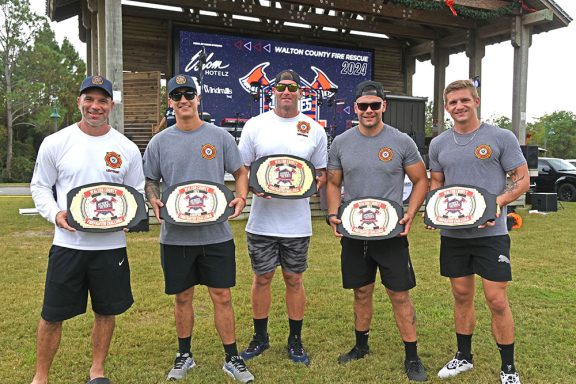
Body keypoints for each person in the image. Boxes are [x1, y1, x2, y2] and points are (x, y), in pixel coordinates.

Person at [29, 75, 145, 384]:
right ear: (79, 101)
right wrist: (55, 214)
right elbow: (40, 186)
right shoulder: (56, 143)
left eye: (102, 100)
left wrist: (131, 216)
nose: (95, 106)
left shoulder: (126, 148)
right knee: (52, 314)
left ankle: (97, 371)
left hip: (110, 248)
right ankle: (41, 377)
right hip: (68, 245)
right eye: (89, 99)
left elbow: (136, 192)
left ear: (111, 104)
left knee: (106, 312)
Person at [142, 74, 253, 382]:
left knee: (222, 296)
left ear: (198, 98)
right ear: (170, 103)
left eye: (189, 94)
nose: (184, 100)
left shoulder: (219, 137)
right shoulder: (159, 141)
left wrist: (241, 196)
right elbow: (150, 179)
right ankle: (184, 355)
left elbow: (240, 171)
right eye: (177, 96)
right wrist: (154, 200)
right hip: (176, 236)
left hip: (215, 234)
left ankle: (232, 358)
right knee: (182, 297)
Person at [325, 80, 429, 381]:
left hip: (391, 233)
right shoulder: (341, 142)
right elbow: (333, 183)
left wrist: (410, 212)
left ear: (384, 106)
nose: (368, 111)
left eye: (374, 105)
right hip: (355, 232)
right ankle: (361, 346)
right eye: (363, 106)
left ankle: (412, 356)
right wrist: (333, 214)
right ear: (355, 107)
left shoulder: (401, 141)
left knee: (399, 294)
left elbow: (421, 180)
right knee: (361, 291)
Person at [428, 79, 529, 384]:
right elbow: (436, 183)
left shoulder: (500, 137)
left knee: (496, 299)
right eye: (452, 102)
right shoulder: (438, 144)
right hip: (454, 235)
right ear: (446, 107)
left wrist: (496, 203)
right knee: (461, 295)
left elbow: (521, 180)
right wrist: (435, 211)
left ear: (476, 101)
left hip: (491, 234)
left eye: (464, 100)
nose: (459, 106)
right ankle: (464, 357)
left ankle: (508, 367)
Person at [237, 69, 327, 365]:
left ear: (301, 92)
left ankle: (295, 339)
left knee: (294, 279)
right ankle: (260, 337)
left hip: (297, 223)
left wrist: (306, 187)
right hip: (261, 220)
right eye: (280, 87)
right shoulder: (255, 125)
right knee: (261, 278)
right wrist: (251, 186)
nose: (286, 91)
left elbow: (321, 174)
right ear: (273, 91)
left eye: (292, 87)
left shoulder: (314, 129)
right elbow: (242, 170)